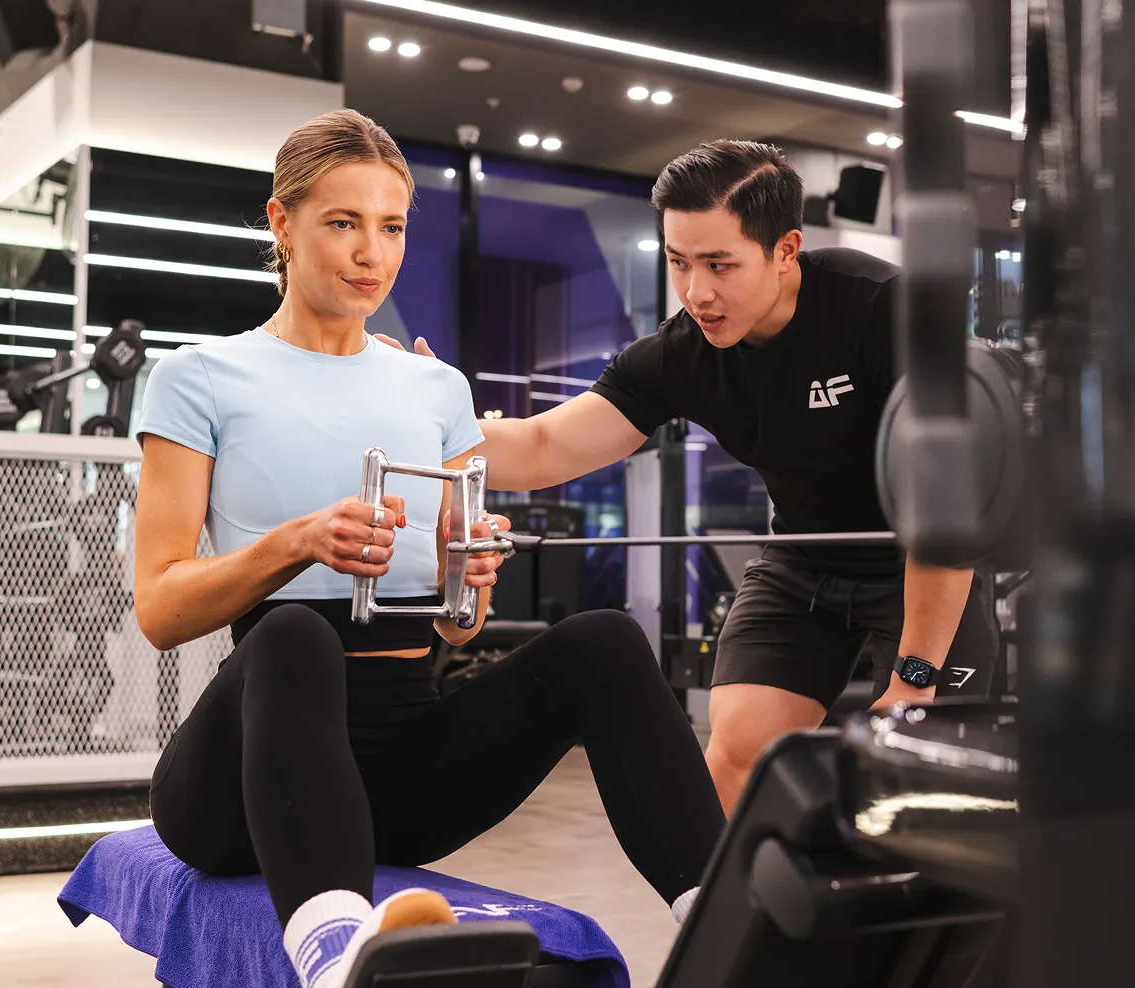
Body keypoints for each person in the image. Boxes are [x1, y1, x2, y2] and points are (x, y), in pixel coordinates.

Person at [133, 109, 725, 988]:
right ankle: (336, 968)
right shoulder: (200, 376)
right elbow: (161, 608)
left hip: (401, 779)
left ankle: (729, 932)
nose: (372, 253)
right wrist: (294, 544)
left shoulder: (435, 389)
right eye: (342, 223)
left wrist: (466, 574)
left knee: (605, 643)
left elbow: (458, 629)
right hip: (237, 789)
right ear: (282, 223)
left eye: (393, 226)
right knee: (294, 629)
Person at [380, 140, 999, 816]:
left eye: (719, 264)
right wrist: (424, 415)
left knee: (924, 785)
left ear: (786, 250)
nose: (697, 292)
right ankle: (727, 888)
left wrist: (915, 675)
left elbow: (948, 506)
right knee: (735, 755)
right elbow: (543, 446)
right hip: (803, 565)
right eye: (679, 262)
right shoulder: (682, 354)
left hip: (922, 562)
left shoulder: (883, 309)